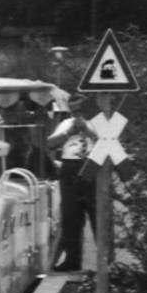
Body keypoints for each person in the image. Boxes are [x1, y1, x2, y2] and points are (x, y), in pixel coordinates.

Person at [47, 94, 98, 272]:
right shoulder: (65, 125)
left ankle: (105, 259)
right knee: (71, 216)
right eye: (73, 110)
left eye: (80, 110)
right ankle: (72, 259)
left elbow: (108, 144)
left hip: (91, 165)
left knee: (97, 213)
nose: (77, 114)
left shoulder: (97, 123)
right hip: (69, 167)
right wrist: (68, 133)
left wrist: (88, 131)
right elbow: (50, 143)